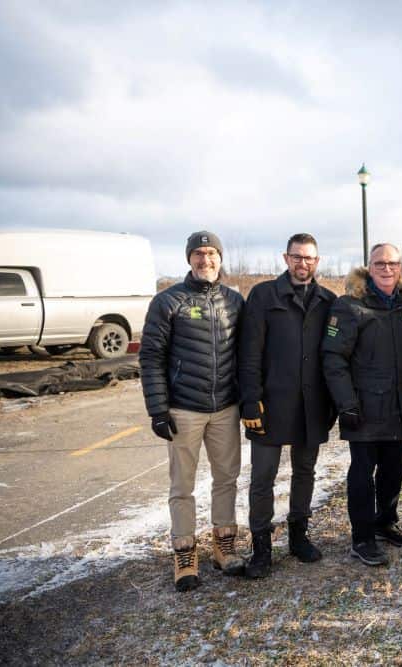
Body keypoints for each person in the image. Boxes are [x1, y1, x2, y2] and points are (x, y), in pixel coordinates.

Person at [139, 231, 245, 592]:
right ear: (189, 259)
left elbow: (246, 355)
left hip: (226, 409)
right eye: (198, 254)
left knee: (227, 478)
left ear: (220, 257)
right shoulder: (168, 301)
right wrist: (157, 408)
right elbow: (151, 357)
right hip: (184, 409)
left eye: (211, 253)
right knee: (182, 484)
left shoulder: (234, 301)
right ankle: (185, 551)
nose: (205, 260)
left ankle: (224, 543)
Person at [238, 233, 337, 578]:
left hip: (311, 406)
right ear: (285, 258)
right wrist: (250, 403)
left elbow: (333, 357)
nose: (302, 263)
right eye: (297, 257)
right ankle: (261, 549)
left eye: (309, 258)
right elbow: (249, 354)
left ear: (317, 261)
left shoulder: (328, 300)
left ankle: (298, 536)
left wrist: (333, 405)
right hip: (270, 404)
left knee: (305, 472)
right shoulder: (264, 296)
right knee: (263, 478)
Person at [322, 243, 402, 567]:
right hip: (362, 408)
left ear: (400, 267)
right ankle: (362, 538)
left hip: (396, 405)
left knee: (395, 469)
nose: (386, 269)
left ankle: (385, 522)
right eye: (380, 264)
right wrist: (346, 402)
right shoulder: (350, 306)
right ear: (369, 267)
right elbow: (333, 358)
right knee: (363, 475)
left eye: (392, 263)